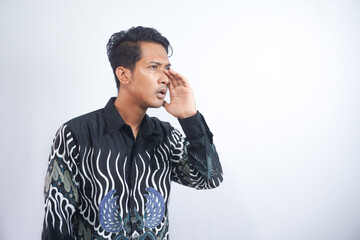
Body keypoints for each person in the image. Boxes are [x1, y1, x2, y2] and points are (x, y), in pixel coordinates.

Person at [42, 26, 223, 240]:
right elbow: (57, 220)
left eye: (167, 68)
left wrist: (189, 118)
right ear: (124, 74)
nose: (165, 78)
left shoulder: (165, 136)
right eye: (154, 67)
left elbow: (208, 179)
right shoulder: (75, 134)